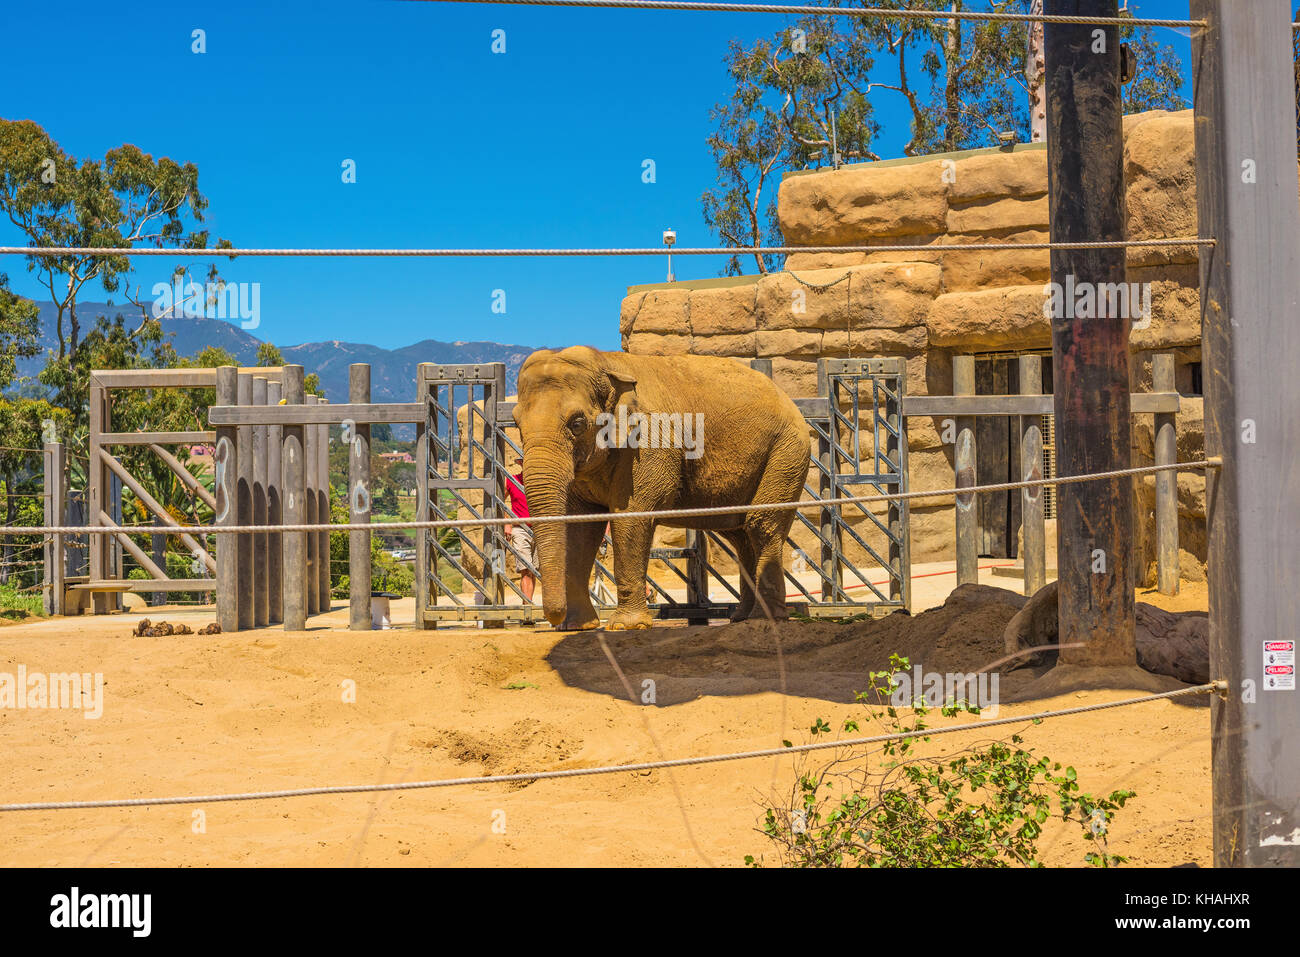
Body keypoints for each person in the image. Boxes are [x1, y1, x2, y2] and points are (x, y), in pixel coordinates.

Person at [504, 455, 537, 602]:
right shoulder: (512, 480)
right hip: (520, 529)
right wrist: (507, 523)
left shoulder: (540, 482)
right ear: (521, 464)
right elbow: (501, 501)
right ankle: (527, 608)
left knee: (533, 571)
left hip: (539, 529)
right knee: (526, 570)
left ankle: (527, 605)